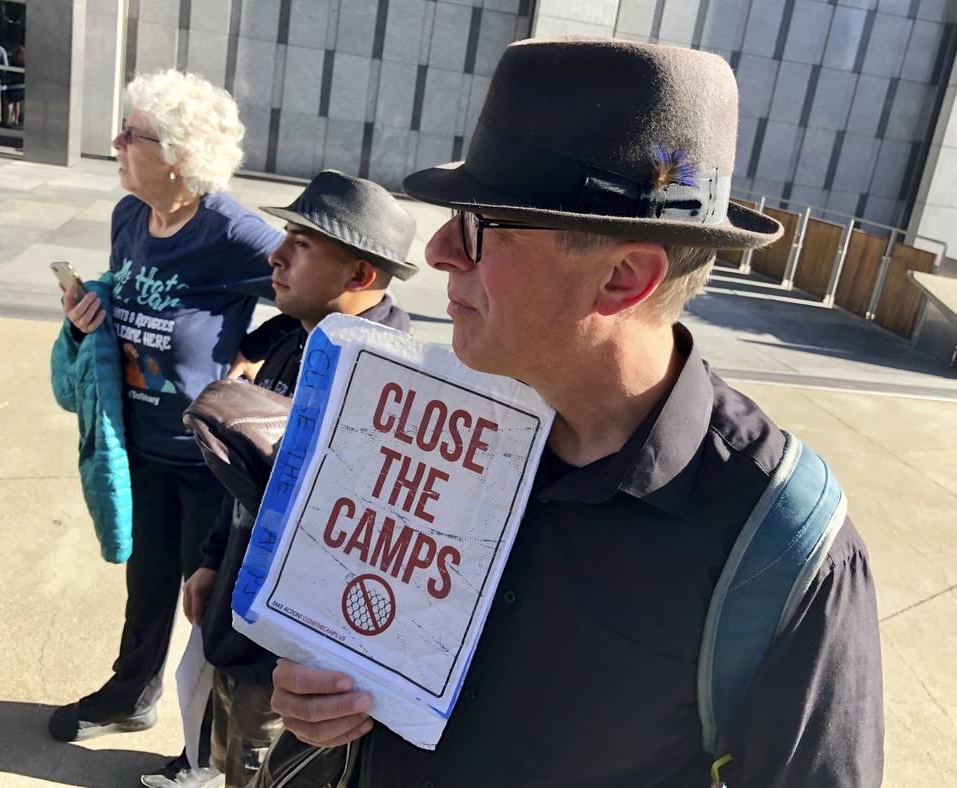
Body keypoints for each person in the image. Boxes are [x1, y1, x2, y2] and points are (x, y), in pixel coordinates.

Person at [263, 38, 886, 787]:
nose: (435, 251)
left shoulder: (780, 546)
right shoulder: (429, 424)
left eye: (477, 225)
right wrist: (322, 707)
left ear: (622, 278)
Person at [49, 70, 282, 788]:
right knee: (145, 584)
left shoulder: (235, 232)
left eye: (132, 134)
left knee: (209, 606)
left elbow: (313, 291)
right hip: (139, 443)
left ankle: (208, 753)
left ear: (179, 154)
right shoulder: (130, 215)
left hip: (205, 457)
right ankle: (130, 695)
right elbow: (123, 301)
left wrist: (252, 360)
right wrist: (85, 315)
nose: (116, 142)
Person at [162, 170, 416, 788]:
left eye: (302, 244)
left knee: (260, 770)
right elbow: (245, 479)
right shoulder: (294, 341)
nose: (275, 255)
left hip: (288, 659)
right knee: (221, 754)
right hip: (233, 610)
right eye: (286, 237)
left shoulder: (393, 386)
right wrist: (212, 560)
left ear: (360, 276)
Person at [5, 45, 24, 127]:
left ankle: (9, 119)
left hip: (12, 84)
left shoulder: (12, 60)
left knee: (10, 102)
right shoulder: (24, 61)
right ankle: (16, 119)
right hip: (21, 85)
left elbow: (8, 72)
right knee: (17, 103)